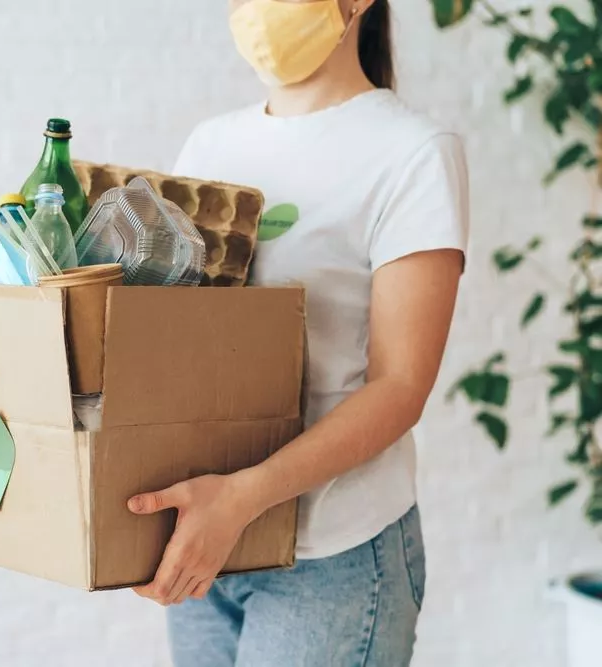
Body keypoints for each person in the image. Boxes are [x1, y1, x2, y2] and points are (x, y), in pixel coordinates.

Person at [125, 0, 469, 665]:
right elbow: (179, 342)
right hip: (210, 544)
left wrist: (242, 498)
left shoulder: (413, 154)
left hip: (332, 560)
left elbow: (400, 387)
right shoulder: (210, 146)